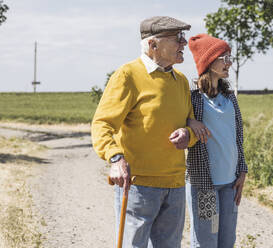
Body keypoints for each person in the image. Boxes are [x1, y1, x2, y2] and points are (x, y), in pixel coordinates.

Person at [91, 16, 201, 248]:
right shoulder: (128, 75)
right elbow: (102, 124)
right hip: (138, 184)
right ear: (153, 45)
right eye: (177, 39)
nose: (184, 44)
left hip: (174, 184)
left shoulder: (180, 81)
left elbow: (191, 127)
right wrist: (115, 157)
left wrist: (187, 135)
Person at [185, 33, 248, 248]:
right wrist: (190, 122)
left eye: (230, 57)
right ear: (208, 61)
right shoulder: (193, 97)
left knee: (227, 241)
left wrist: (242, 169)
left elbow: (238, 136)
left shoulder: (229, 96)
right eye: (224, 57)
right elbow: (175, 121)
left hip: (230, 184)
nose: (229, 62)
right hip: (205, 185)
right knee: (206, 242)